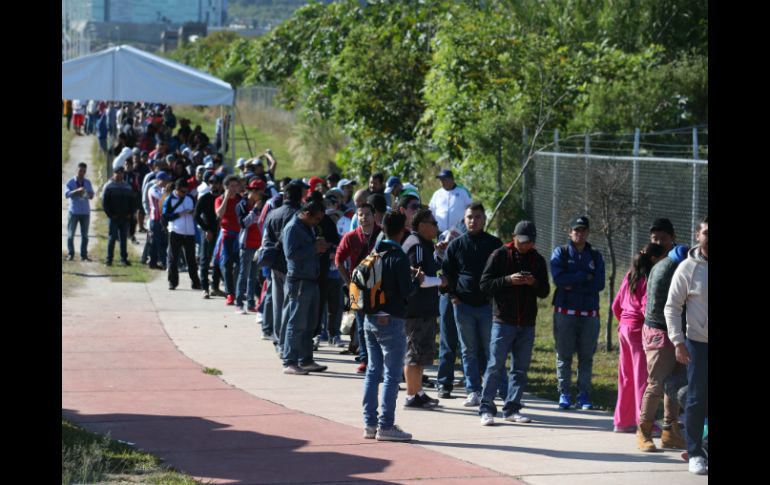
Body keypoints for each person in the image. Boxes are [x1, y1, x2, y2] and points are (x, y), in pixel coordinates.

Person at [478, 220, 550, 425]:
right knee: (495, 365)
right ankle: (486, 408)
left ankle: (512, 408)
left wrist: (533, 282)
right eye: (523, 241)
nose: (527, 245)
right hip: (503, 320)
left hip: (527, 323)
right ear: (514, 237)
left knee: (520, 368)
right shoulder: (499, 255)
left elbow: (545, 291)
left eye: (530, 242)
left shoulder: (538, 260)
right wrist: (508, 280)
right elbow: (485, 284)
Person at [362, 211, 422, 441]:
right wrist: (416, 279)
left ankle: (370, 424)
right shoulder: (398, 257)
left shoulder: (375, 252)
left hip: (370, 319)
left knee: (372, 372)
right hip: (391, 319)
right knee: (392, 375)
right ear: (403, 230)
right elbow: (407, 292)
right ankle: (386, 425)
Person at [442, 202, 505, 407]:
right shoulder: (456, 245)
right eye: (469, 217)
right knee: (468, 350)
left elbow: (502, 274)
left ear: (484, 219)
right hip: (463, 306)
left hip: (488, 307)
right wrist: (453, 297)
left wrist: (496, 300)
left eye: (477, 217)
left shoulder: (495, 244)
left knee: (491, 350)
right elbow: (447, 274)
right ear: (464, 219)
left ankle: (497, 389)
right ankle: (473, 390)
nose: (473, 220)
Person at [637, 218, 689, 452]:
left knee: (675, 383)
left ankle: (670, 431)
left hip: (677, 330)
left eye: (663, 238)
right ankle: (644, 431)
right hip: (660, 330)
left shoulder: (676, 263)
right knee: (657, 383)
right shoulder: (663, 266)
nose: (658, 242)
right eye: (654, 238)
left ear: (673, 239)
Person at [665, 216, 708, 475]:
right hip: (697, 343)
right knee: (697, 398)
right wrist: (678, 341)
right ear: (697, 235)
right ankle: (695, 453)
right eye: (707, 232)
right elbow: (672, 307)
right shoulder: (688, 268)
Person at [550, 216, 606, 410]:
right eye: (576, 230)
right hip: (565, 311)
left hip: (590, 313)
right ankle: (564, 392)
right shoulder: (561, 253)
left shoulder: (596, 256)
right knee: (564, 355)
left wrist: (572, 282)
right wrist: (584, 276)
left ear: (588, 232)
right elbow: (559, 280)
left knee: (586, 357)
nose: (580, 234)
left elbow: (599, 284)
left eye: (583, 230)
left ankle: (583, 395)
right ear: (570, 232)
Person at [611, 242, 665, 433]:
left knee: (626, 376)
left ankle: (622, 421)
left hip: (624, 329)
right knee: (643, 377)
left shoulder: (629, 275)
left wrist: (624, 322)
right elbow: (645, 309)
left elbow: (616, 306)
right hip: (638, 331)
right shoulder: (648, 279)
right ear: (653, 259)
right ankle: (645, 423)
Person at [401, 209, 445, 409]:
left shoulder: (424, 245)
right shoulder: (416, 246)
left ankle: (418, 391)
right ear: (421, 226)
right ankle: (411, 396)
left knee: (421, 354)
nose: (436, 225)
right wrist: (441, 281)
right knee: (414, 353)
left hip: (425, 309)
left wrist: (438, 253)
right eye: (432, 222)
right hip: (416, 310)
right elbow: (417, 279)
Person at [281, 200, 330, 375]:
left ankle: (306, 359)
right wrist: (314, 247)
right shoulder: (293, 228)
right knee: (297, 322)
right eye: (316, 219)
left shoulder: (306, 226)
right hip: (299, 280)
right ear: (307, 214)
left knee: (309, 323)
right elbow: (291, 254)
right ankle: (290, 361)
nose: (317, 223)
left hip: (310, 278)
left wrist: (318, 246)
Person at [336, 203, 382, 373]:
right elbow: (338, 260)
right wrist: (348, 283)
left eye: (368, 214)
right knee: (361, 325)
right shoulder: (350, 237)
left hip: (379, 286)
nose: (364, 218)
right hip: (357, 287)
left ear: (374, 215)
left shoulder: (382, 234)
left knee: (379, 323)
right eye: (361, 214)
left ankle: (379, 358)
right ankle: (365, 359)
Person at [163, 179, 201, 291]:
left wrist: (193, 213)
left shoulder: (190, 198)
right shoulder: (169, 199)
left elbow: (196, 211)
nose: (184, 194)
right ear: (176, 189)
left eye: (186, 191)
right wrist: (179, 214)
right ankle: (172, 282)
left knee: (191, 260)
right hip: (175, 231)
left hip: (189, 232)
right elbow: (165, 216)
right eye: (182, 191)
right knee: (173, 258)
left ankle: (195, 282)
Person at [234, 179, 266, 313]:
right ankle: (239, 303)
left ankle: (251, 303)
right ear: (253, 191)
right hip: (246, 245)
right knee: (244, 274)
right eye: (260, 192)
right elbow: (243, 223)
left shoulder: (264, 205)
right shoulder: (241, 205)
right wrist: (254, 210)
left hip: (259, 245)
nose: (261, 196)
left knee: (253, 275)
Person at [194, 172, 225, 298]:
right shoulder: (204, 198)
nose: (213, 185)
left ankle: (215, 287)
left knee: (218, 260)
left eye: (216, 183)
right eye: (211, 183)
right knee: (204, 260)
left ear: (220, 184)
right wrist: (206, 229)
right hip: (208, 232)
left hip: (221, 232)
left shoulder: (224, 198)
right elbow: (196, 216)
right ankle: (205, 288)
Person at [215, 175, 243, 305]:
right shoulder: (219, 199)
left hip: (240, 236)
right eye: (231, 186)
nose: (233, 188)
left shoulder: (241, 200)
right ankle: (230, 293)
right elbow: (219, 214)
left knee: (240, 264)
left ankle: (239, 291)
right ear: (226, 187)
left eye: (235, 185)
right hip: (227, 235)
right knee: (226, 264)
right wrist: (226, 198)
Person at [102, 161, 136, 266]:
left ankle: (123, 259)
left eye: (121, 173)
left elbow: (132, 202)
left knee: (123, 239)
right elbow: (105, 203)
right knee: (112, 238)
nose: (119, 175)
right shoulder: (109, 186)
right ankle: (109, 259)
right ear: (114, 173)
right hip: (113, 218)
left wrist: (130, 213)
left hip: (125, 218)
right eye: (117, 173)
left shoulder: (127, 186)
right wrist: (110, 214)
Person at [429, 169, 473, 237]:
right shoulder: (437, 194)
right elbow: (431, 211)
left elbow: (471, 209)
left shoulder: (463, 191)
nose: (442, 182)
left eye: (444, 179)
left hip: (458, 233)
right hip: (441, 233)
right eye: (441, 180)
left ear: (452, 179)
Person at [65, 162, 95, 262]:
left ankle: (84, 255)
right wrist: (76, 191)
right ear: (76, 170)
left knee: (85, 236)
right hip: (73, 212)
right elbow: (67, 194)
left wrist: (86, 193)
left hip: (85, 212)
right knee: (70, 235)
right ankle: (71, 254)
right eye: (80, 170)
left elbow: (91, 195)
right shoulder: (70, 182)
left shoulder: (87, 182)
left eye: (83, 171)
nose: (81, 173)